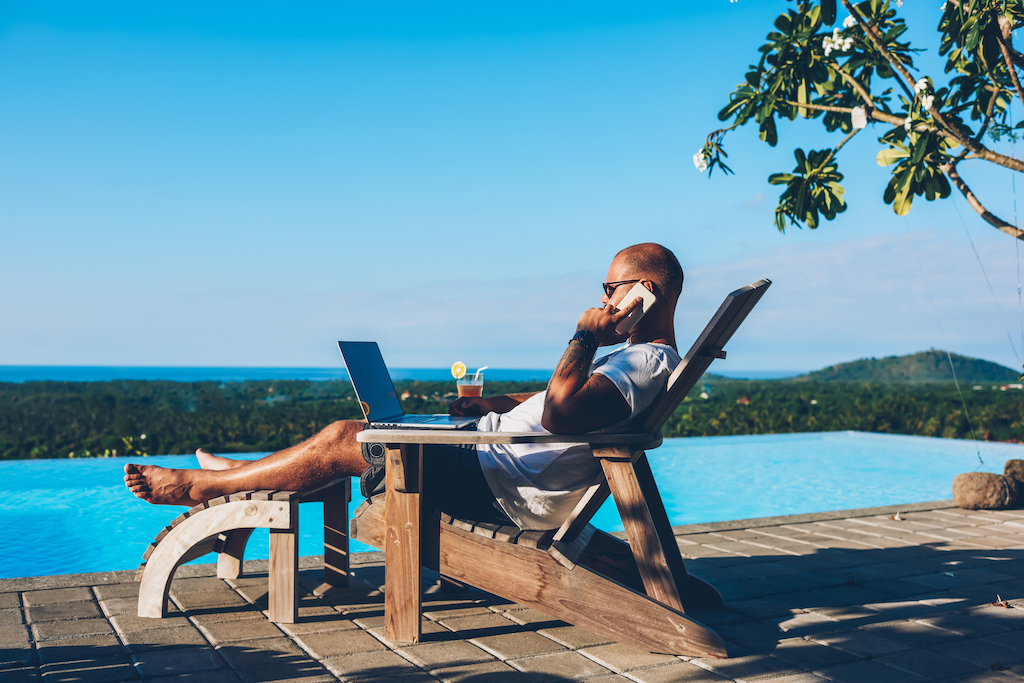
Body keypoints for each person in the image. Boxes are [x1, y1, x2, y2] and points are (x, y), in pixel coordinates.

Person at [124, 242, 683, 531]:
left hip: (501, 485)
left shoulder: (644, 361)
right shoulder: (637, 362)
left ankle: (203, 487)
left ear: (645, 291)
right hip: (492, 460)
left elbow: (562, 415)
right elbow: (567, 406)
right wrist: (497, 404)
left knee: (348, 437)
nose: (604, 298)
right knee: (366, 436)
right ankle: (243, 477)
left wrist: (583, 335)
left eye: (611, 287)